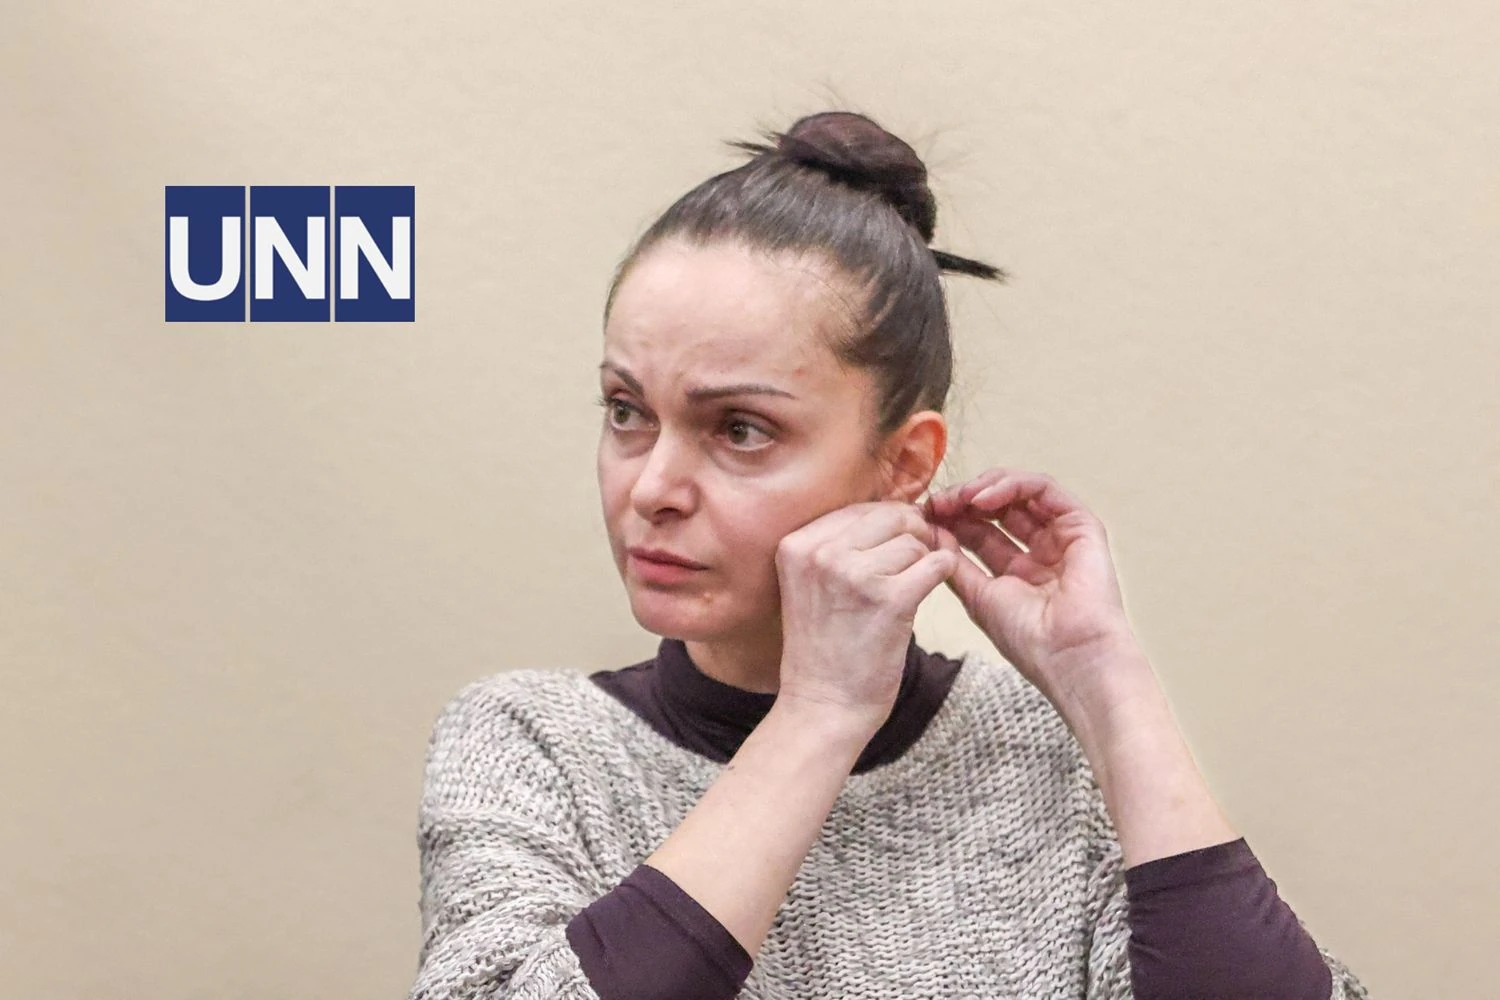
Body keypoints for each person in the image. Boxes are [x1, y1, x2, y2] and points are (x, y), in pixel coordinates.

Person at [407, 110, 1370, 999]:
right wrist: (818, 715)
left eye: (739, 429)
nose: (652, 486)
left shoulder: (1043, 759)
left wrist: (1107, 689)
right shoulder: (531, 744)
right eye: (627, 411)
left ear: (904, 463)